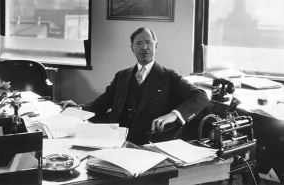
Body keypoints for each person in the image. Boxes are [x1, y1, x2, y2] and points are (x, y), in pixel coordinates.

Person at [61, 27, 209, 145]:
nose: (144, 47)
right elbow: (101, 103)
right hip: (114, 139)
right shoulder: (122, 76)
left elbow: (201, 96)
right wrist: (78, 108)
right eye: (139, 43)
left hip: (147, 143)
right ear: (132, 48)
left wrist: (173, 115)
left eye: (148, 43)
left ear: (156, 46)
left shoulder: (168, 76)